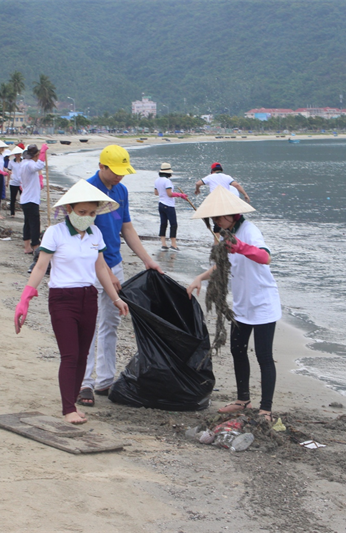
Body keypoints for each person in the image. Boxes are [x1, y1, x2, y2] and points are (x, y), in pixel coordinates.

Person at [14, 180, 129, 424]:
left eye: (92, 213)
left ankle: (73, 404)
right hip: (62, 299)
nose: (87, 217)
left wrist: (115, 298)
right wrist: (25, 298)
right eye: (82, 212)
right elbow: (40, 267)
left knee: (83, 353)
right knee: (70, 355)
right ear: (69, 210)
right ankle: (68, 409)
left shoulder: (95, 233)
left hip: (89, 297)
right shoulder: (55, 233)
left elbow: (100, 267)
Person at [77, 145, 163, 407]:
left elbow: (126, 227)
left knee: (111, 322)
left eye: (123, 173)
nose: (120, 177)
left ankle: (105, 379)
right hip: (89, 266)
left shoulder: (121, 191)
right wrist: (103, 272)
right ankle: (84, 383)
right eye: (115, 172)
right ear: (101, 166)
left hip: (115, 264)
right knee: (88, 324)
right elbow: (82, 234)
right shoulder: (85, 191)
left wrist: (148, 260)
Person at [186, 186, 281, 423]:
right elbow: (223, 264)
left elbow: (265, 256)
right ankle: (243, 400)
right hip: (241, 305)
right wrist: (199, 277)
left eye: (220, 217)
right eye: (214, 218)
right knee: (237, 350)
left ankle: (266, 409)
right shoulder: (226, 235)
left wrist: (240, 247)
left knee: (263, 356)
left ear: (233, 214)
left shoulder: (249, 231)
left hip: (262, 304)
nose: (217, 221)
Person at [19, 144, 48, 253]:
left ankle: (27, 247)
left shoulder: (23, 164)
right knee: (35, 223)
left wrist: (40, 179)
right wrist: (43, 153)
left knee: (27, 223)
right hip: (30, 199)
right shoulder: (29, 164)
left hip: (26, 198)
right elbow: (39, 166)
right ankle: (35, 246)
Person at [153, 162, 188, 251]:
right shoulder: (167, 181)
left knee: (163, 223)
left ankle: (163, 243)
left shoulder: (157, 180)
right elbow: (169, 194)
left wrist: (163, 193)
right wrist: (180, 195)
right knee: (173, 224)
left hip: (161, 204)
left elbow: (156, 193)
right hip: (168, 205)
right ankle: (173, 244)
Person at [8, 144, 26, 218]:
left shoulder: (23, 161)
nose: (18, 155)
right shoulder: (11, 162)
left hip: (22, 183)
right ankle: (12, 213)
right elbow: (9, 171)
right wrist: (7, 181)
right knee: (13, 198)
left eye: (19, 154)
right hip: (13, 182)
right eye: (16, 154)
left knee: (24, 198)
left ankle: (25, 213)